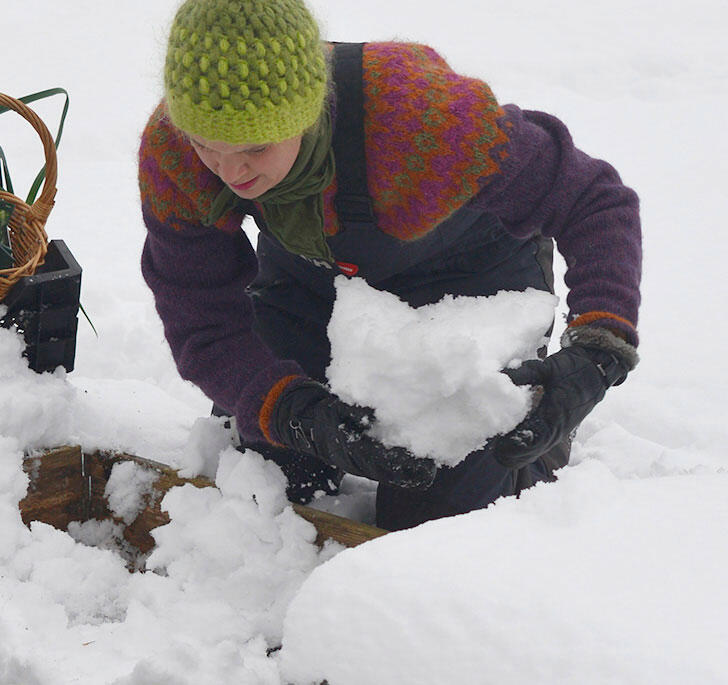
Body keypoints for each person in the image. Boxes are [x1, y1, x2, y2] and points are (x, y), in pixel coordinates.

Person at [137, 0, 641, 530]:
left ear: (307, 115)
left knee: (435, 527)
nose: (229, 169)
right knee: (268, 494)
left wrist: (599, 348)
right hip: (315, 287)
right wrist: (291, 411)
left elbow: (595, 201)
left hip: (467, 289)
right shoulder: (174, 153)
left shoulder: (420, 120)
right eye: (206, 146)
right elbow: (203, 317)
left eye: (256, 148)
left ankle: (529, 466)